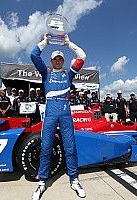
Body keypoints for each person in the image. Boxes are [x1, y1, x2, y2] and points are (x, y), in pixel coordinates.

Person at [30, 34, 86, 199]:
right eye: (55, 59)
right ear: (51, 60)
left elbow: (82, 56)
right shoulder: (45, 73)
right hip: (51, 112)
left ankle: (74, 179)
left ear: (63, 60)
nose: (58, 61)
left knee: (70, 148)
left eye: (60, 58)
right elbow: (34, 55)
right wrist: (46, 42)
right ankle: (42, 182)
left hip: (66, 113)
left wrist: (69, 44)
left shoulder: (69, 74)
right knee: (46, 147)